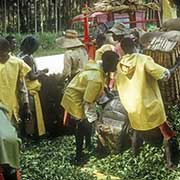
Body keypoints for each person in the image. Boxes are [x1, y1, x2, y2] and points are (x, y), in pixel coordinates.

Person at [116, 37, 180, 169]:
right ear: (135, 45)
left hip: (133, 108)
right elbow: (164, 75)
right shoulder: (143, 59)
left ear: (123, 49)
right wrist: (177, 65)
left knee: (137, 132)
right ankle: (169, 163)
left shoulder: (120, 64)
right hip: (150, 107)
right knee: (167, 134)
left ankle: (135, 159)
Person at [61, 51, 119, 164]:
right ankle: (78, 156)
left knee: (87, 122)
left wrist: (106, 91)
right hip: (75, 98)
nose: (117, 66)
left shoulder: (100, 68)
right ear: (107, 62)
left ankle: (88, 145)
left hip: (81, 94)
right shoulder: (96, 78)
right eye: (115, 63)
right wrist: (94, 122)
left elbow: (100, 84)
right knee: (83, 124)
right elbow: (88, 102)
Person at [0, 37, 31, 179]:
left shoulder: (17, 63)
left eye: (6, 54)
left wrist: (26, 105)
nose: (4, 58)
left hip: (11, 109)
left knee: (11, 140)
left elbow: (22, 87)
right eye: (1, 55)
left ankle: (12, 168)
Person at [18, 36, 48, 138]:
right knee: (31, 113)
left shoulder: (20, 56)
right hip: (29, 88)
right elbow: (31, 76)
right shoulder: (28, 58)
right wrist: (42, 72)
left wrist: (39, 71)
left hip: (25, 87)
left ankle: (28, 134)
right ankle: (32, 135)